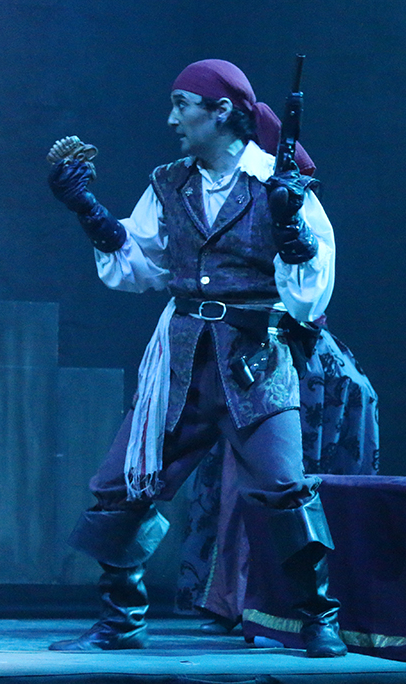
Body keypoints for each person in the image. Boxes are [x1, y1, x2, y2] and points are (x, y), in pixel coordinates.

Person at [46, 59, 346, 657]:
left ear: (222, 111)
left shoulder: (279, 184)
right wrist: (89, 212)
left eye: (182, 105)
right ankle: (120, 621)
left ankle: (318, 617)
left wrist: (293, 231)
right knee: (120, 484)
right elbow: (140, 266)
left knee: (284, 488)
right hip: (181, 361)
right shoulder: (170, 183)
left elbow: (311, 294)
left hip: (254, 362)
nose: (172, 119)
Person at [177, 320, 379, 635]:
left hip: (298, 354)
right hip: (245, 349)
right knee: (240, 481)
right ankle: (233, 601)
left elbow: (308, 306)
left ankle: (315, 613)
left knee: (292, 484)